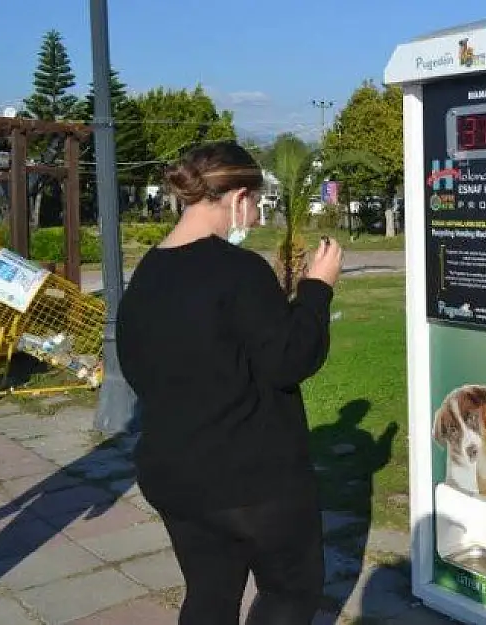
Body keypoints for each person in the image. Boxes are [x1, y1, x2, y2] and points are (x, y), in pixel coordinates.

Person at [116, 141, 344, 625]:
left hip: (175, 475)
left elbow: (136, 365)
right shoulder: (239, 271)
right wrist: (317, 289)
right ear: (239, 198)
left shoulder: (148, 272)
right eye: (258, 202)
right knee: (290, 592)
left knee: (209, 595)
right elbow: (289, 359)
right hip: (252, 483)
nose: (258, 213)